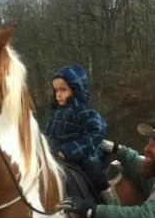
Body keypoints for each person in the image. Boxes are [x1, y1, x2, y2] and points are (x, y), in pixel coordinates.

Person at [43, 64, 118, 205]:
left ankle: (112, 208)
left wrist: (68, 151)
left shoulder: (85, 113)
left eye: (63, 90)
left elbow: (96, 133)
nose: (58, 94)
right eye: (56, 90)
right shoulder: (55, 115)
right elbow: (48, 135)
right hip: (57, 157)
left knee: (98, 180)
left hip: (83, 159)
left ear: (76, 90)